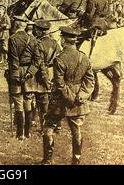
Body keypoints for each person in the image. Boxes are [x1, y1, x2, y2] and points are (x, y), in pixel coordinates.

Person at [42, 26, 95, 165]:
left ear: (64, 40)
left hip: (61, 99)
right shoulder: (84, 57)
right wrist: (81, 96)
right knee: (76, 129)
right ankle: (76, 160)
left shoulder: (59, 59)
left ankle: (47, 160)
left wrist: (70, 98)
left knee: (49, 126)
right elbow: (90, 81)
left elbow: (59, 84)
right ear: (75, 41)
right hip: (78, 100)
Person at [7, 15, 41, 140]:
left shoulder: (13, 39)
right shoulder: (33, 39)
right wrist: (30, 73)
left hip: (16, 73)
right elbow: (37, 60)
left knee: (18, 102)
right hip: (29, 76)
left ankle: (20, 133)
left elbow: (13, 60)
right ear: (25, 26)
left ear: (16, 25)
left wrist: (14, 75)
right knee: (28, 101)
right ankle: (28, 132)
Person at [33, 20, 61, 134]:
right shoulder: (55, 43)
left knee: (43, 101)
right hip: (53, 71)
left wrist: (45, 78)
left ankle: (44, 127)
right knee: (54, 100)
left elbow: (40, 63)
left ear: (39, 31)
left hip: (42, 73)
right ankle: (57, 126)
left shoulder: (38, 44)